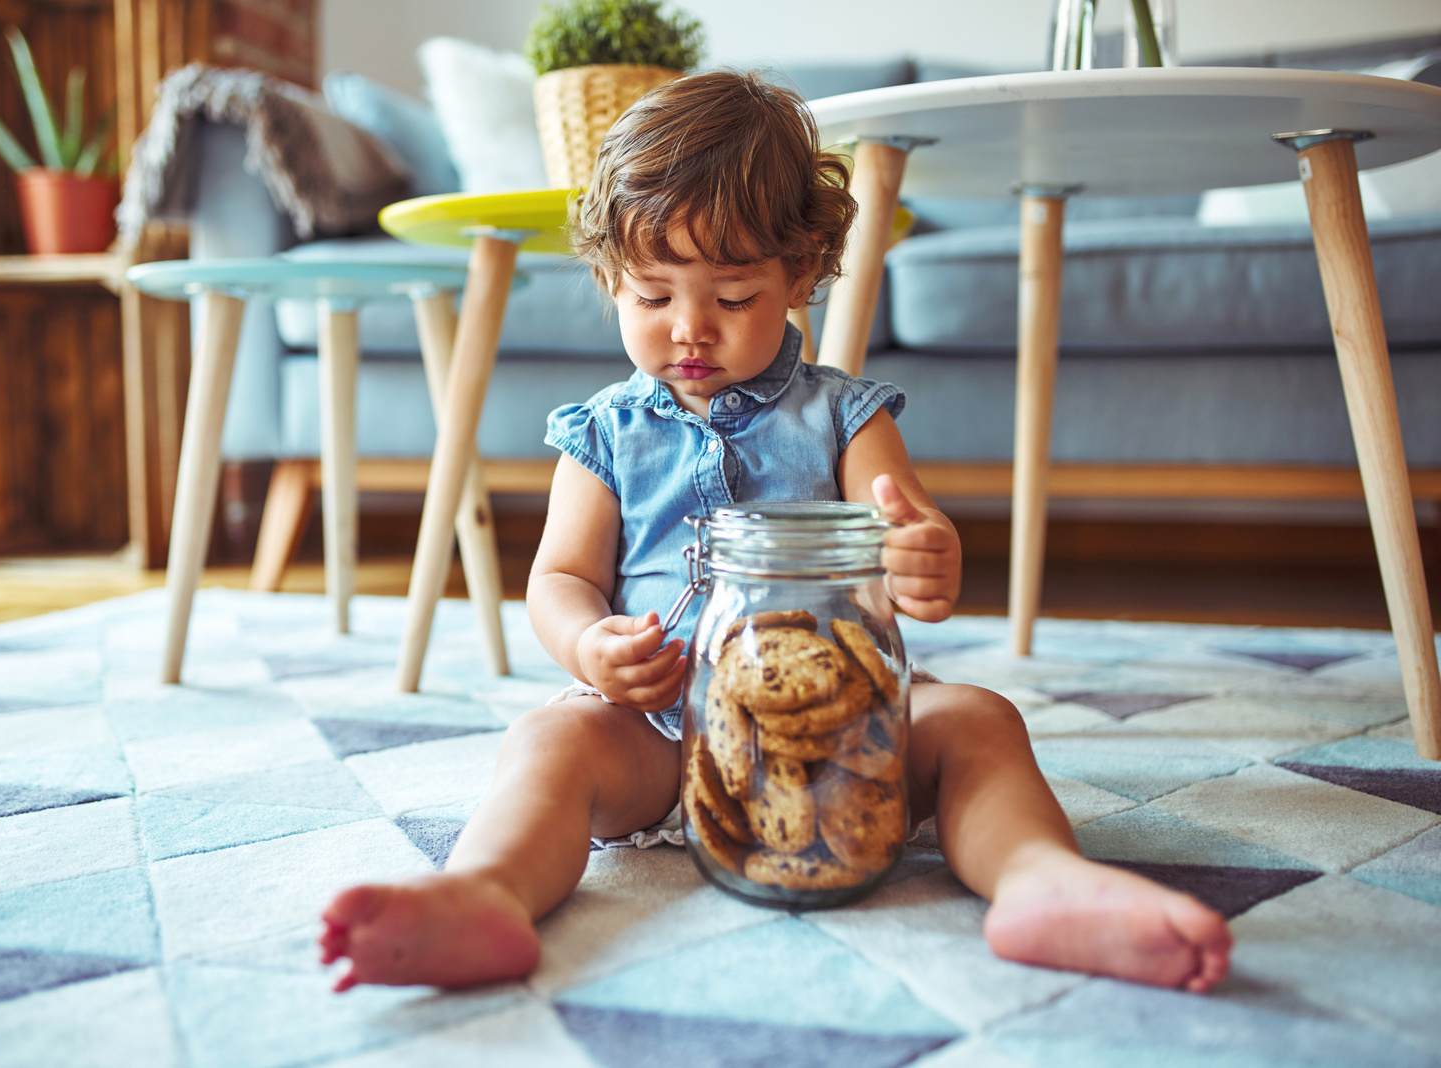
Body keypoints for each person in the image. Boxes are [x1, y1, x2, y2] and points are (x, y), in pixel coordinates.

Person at [320, 69, 1232, 994]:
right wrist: (590, 647)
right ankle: (486, 893)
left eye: (733, 296)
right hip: (658, 739)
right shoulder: (604, 433)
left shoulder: (845, 415)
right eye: (652, 295)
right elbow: (560, 578)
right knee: (548, 746)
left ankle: (1043, 882)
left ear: (799, 275)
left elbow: (909, 537)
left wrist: (924, 560)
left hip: (847, 740)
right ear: (609, 278)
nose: (690, 328)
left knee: (981, 724)